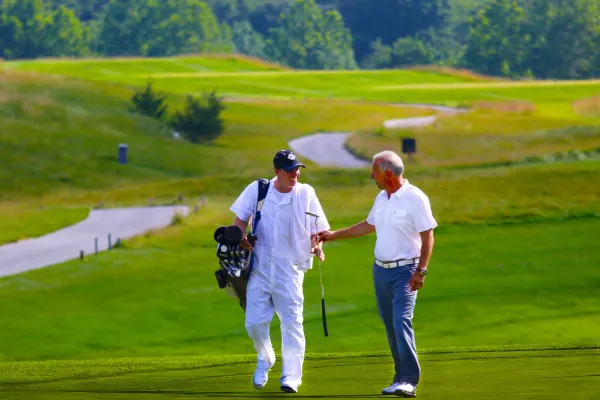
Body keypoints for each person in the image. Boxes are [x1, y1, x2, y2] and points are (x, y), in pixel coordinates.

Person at [318, 150, 437, 398]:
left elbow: (428, 236)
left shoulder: (415, 198)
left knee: (400, 321)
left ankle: (409, 380)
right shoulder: (382, 198)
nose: (371, 176)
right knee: (390, 326)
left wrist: (421, 271)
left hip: (406, 271)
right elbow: (368, 225)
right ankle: (398, 377)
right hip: (380, 270)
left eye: (374, 172)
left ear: (387, 173)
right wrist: (333, 235)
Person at [230, 149, 330, 394]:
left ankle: (291, 377)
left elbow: (320, 230)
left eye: (297, 168)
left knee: (292, 322)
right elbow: (239, 222)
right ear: (277, 171)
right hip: (260, 267)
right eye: (289, 170)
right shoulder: (258, 190)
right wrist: (242, 238)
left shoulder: (307, 193)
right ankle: (265, 358)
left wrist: (317, 245)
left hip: (290, 268)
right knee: (253, 322)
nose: (295, 173)